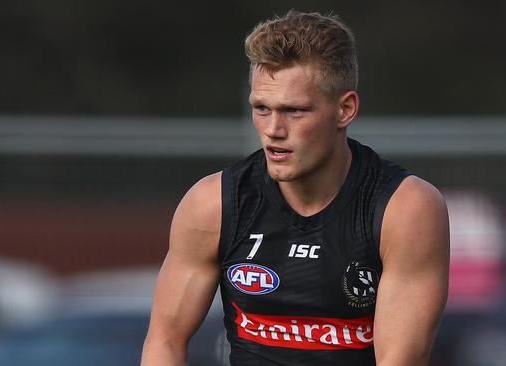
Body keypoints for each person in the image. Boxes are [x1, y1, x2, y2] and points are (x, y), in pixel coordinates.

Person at [141, 10, 449, 366]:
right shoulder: (213, 204)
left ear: (345, 109)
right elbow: (164, 341)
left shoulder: (404, 208)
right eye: (261, 108)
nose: (273, 129)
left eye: (294, 111)